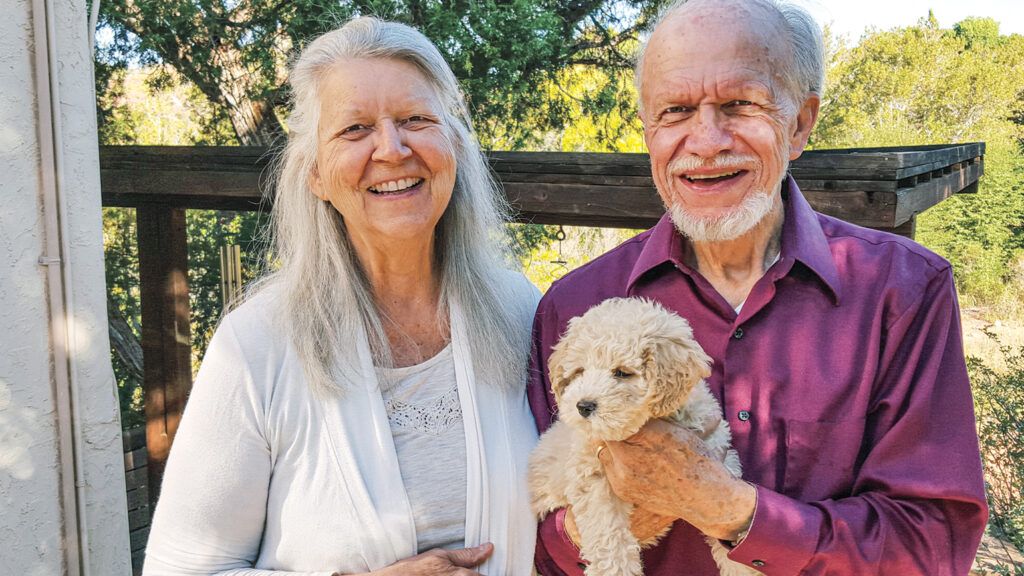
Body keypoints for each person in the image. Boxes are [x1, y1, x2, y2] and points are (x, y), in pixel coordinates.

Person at [527, 0, 988, 574]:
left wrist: (727, 509)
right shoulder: (574, 309)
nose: (706, 141)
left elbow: (932, 545)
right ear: (648, 130)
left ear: (800, 123)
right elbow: (542, 544)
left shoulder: (904, 291)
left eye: (740, 104)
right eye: (675, 111)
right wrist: (607, 522)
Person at [144, 17, 540, 576]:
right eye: (355, 129)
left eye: (415, 119)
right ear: (315, 174)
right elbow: (177, 568)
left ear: (454, 143)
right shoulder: (256, 346)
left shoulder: (521, 310)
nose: (392, 149)